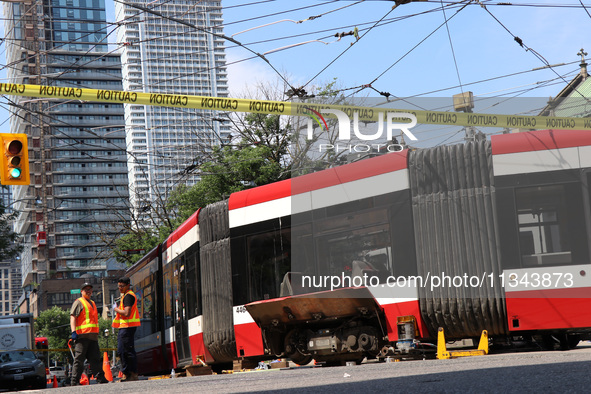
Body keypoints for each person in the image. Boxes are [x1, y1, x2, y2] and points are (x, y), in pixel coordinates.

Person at [70, 282, 109, 385]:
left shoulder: (92, 303)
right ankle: (74, 381)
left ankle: (101, 378)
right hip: (82, 336)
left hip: (92, 337)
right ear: (81, 291)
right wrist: (73, 332)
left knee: (95, 359)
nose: (88, 291)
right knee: (79, 360)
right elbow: (73, 317)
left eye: (90, 289)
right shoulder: (79, 302)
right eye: (86, 289)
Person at [112, 277, 140, 382]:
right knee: (125, 350)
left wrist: (116, 309)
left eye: (122, 286)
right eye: (119, 286)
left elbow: (127, 313)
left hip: (127, 327)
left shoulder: (128, 296)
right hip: (127, 327)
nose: (120, 288)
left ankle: (129, 374)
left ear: (128, 285)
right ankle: (130, 374)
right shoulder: (126, 296)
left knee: (124, 351)